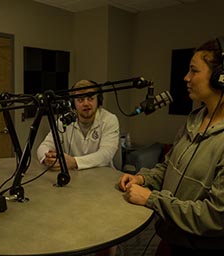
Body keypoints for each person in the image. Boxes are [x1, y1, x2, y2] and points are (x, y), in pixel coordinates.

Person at [119, 37, 224, 255]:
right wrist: (143, 178)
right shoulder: (194, 119)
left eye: (194, 71)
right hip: (169, 240)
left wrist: (151, 199)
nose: (186, 78)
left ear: (219, 78)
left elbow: (214, 217)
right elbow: (168, 167)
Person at [37, 79, 120, 170]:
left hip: (102, 177)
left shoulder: (109, 120)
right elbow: (44, 146)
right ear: (73, 103)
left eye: (90, 98)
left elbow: (105, 155)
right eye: (80, 99)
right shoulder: (63, 121)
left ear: (98, 100)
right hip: (74, 176)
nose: (86, 103)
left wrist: (74, 162)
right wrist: (47, 159)